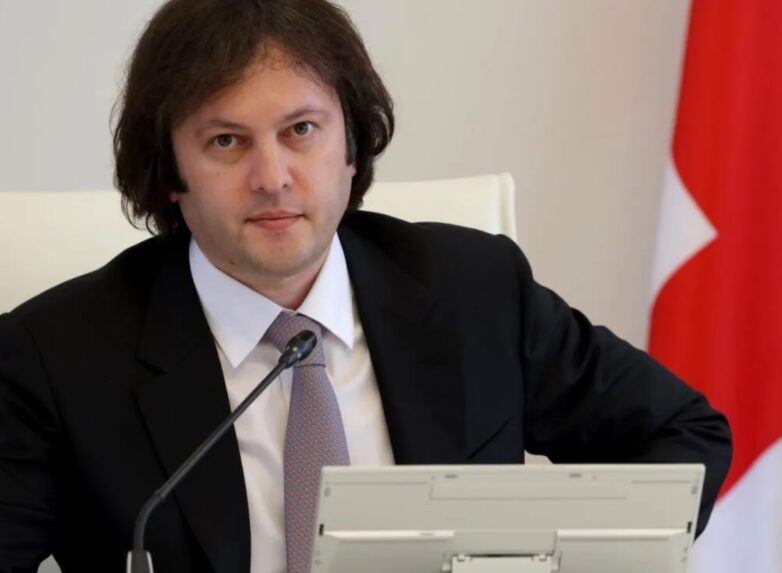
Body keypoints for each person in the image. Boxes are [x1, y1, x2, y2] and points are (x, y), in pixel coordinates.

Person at [0, 1, 732, 572]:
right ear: (169, 174)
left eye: (301, 130)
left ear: (352, 146)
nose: (272, 177)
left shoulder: (474, 291)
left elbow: (682, 435)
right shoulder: (53, 358)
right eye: (226, 141)